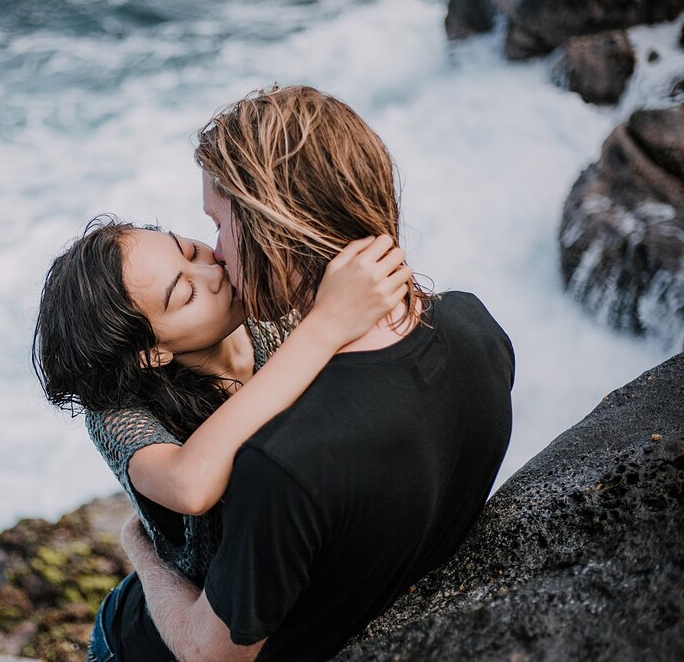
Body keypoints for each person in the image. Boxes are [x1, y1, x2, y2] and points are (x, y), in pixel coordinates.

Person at [109, 85, 515, 661]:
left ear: (273, 232)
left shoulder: (282, 467)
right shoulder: (477, 328)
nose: (216, 254)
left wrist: (142, 550)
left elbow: (208, 655)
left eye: (219, 226)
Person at [34, 225, 411, 658]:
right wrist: (325, 325)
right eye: (184, 294)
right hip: (149, 640)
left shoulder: (273, 316)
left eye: (189, 249)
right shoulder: (118, 415)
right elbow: (189, 486)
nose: (211, 271)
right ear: (152, 352)